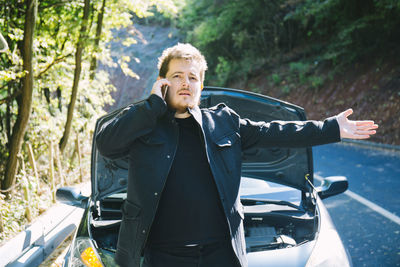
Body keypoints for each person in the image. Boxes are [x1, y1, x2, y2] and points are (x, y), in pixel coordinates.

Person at [96, 43, 378, 267]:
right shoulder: (143, 126)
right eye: (177, 76)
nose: (185, 83)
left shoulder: (224, 123)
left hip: (220, 256)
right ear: (162, 83)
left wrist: (332, 128)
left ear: (201, 86)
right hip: (162, 257)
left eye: (192, 77)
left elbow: (277, 132)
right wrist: (151, 105)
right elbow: (106, 143)